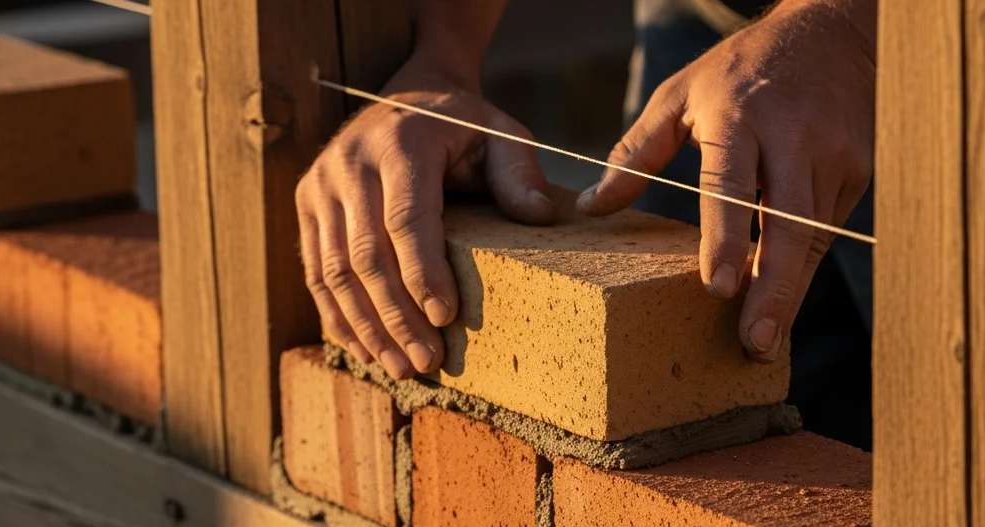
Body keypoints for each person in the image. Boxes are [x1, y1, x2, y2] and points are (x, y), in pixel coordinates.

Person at [296, 0, 877, 448]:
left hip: (945, 31)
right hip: (706, 17)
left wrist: (847, 28)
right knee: (712, 370)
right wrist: (441, 56)